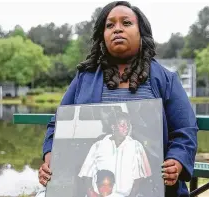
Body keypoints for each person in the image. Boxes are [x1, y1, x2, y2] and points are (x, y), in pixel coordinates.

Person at [38, 1, 198, 197]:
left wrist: (177, 161)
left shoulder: (166, 79)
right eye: (110, 25)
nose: (118, 29)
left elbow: (185, 130)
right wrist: (51, 157)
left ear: (141, 33)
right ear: (102, 36)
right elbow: (58, 124)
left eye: (126, 23)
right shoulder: (84, 79)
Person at [78, 111, 151, 197]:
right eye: (122, 125)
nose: (126, 127)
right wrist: (91, 193)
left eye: (128, 125)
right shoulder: (98, 145)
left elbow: (140, 177)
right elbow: (86, 174)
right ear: (113, 127)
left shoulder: (136, 146)